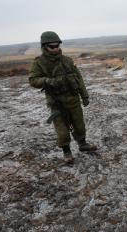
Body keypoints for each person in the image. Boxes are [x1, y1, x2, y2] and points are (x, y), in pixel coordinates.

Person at [29, 31, 97, 163]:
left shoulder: (67, 60)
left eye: (57, 46)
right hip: (56, 101)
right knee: (62, 129)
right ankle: (67, 152)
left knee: (79, 124)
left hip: (73, 98)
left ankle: (82, 144)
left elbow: (79, 78)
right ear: (44, 47)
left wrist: (84, 95)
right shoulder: (39, 63)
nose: (55, 49)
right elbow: (33, 80)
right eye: (52, 47)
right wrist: (47, 81)